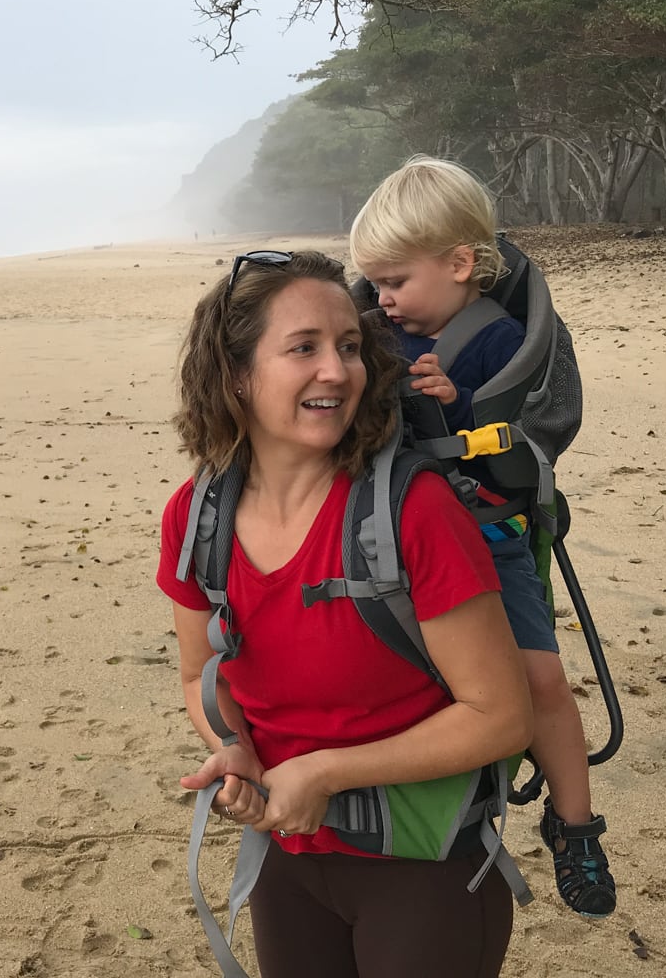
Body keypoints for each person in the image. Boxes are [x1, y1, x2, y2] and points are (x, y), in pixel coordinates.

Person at [157, 248, 534, 978]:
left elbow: (502, 715)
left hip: (423, 868)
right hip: (285, 862)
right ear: (235, 373)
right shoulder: (197, 514)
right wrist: (232, 744)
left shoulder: (413, 513)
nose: (338, 370)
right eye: (304, 348)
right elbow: (201, 673)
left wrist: (327, 772)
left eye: (351, 347)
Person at [348, 155, 617, 918]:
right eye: (373, 284)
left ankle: (575, 825)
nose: (383, 299)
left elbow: (512, 450)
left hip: (490, 538)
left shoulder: (502, 343)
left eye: (396, 281)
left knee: (540, 684)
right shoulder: (372, 335)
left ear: (460, 263)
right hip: (393, 540)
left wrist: (455, 403)